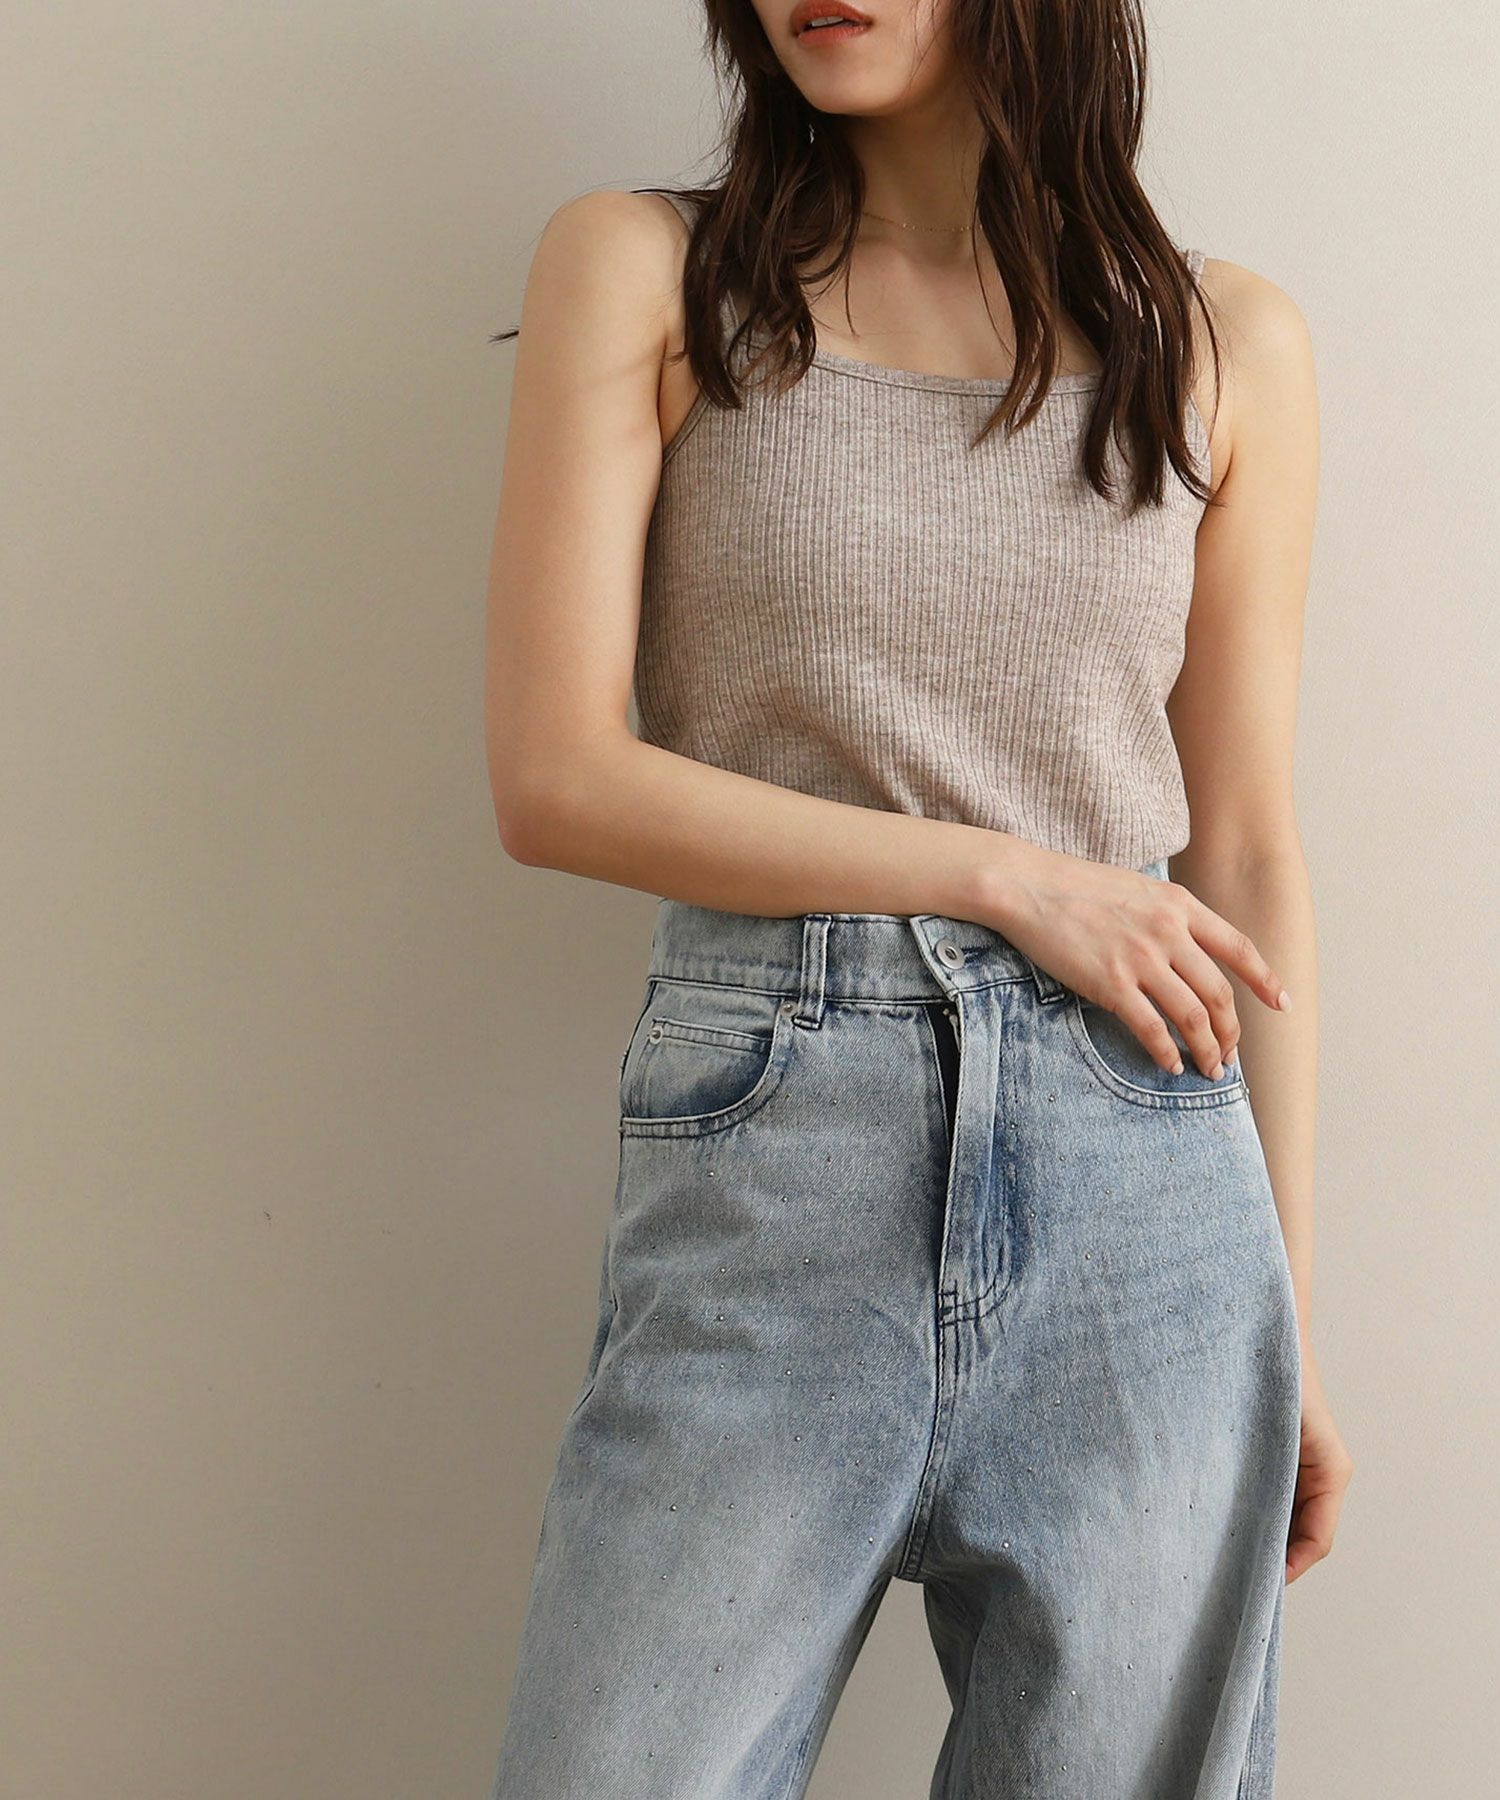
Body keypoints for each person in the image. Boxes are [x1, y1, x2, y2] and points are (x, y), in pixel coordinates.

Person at [481, 2, 1352, 1793]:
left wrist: (1288, 1323)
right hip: (777, 1139)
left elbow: (1248, 854)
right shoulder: (648, 272)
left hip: (1151, 1179)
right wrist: (1005, 877)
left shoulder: (1225, 342)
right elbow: (554, 778)